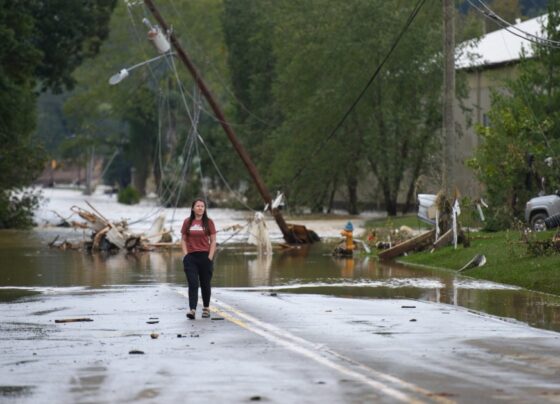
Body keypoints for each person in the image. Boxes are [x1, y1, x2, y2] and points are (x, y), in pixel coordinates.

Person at [181, 198, 217, 319]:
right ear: (193, 208)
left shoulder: (209, 222)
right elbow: (183, 239)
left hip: (205, 257)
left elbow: (213, 241)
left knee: (205, 284)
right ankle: (192, 310)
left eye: (202, 206)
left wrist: (210, 257)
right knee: (193, 283)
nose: (200, 208)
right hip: (191, 258)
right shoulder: (187, 222)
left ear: (204, 209)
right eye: (198, 206)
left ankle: (206, 308)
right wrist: (186, 255)